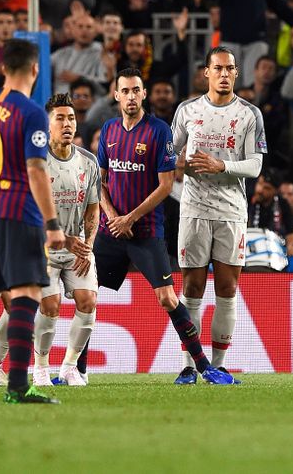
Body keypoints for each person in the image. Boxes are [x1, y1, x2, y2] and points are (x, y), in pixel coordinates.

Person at [96, 68, 235, 386]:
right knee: (84, 295)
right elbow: (99, 181)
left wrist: (130, 218)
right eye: (125, 91)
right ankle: (75, 370)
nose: (131, 96)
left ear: (143, 94)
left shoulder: (160, 132)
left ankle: (202, 367)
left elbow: (165, 185)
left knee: (168, 298)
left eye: (136, 90)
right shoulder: (108, 130)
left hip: (145, 231)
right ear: (116, 95)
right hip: (111, 230)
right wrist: (113, 216)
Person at [0, 39, 66, 404]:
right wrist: (52, 224)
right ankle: (18, 386)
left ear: (3, 67)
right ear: (35, 70)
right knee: (25, 297)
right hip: (19, 213)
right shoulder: (32, 112)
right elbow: (36, 168)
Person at [171, 47, 267, 384]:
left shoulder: (249, 114)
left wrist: (220, 165)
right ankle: (189, 365)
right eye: (218, 68)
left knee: (227, 288)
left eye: (229, 69)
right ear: (206, 73)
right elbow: (170, 152)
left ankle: (219, 363)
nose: (224, 74)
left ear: (236, 74)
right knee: (192, 287)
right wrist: (176, 162)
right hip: (193, 208)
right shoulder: (188, 110)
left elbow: (255, 165)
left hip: (231, 210)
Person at [32, 93, 100, 387]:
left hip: (77, 248)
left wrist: (89, 247)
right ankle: (40, 368)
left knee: (88, 301)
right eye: (59, 118)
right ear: (47, 124)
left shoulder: (88, 161)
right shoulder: (35, 163)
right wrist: (64, 239)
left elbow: (93, 209)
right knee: (50, 305)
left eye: (71, 118)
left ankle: (70, 367)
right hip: (41, 248)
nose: (67, 123)